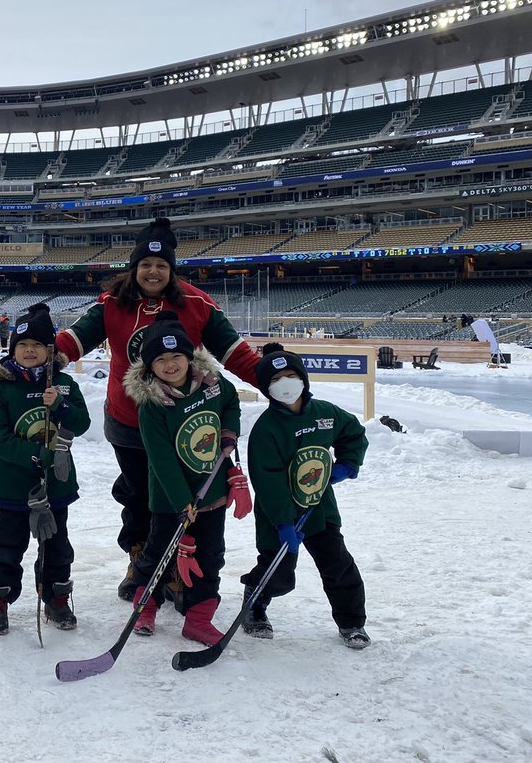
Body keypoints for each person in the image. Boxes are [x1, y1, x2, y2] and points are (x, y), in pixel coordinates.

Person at [54, 216, 262, 600]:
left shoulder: (197, 303)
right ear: (134, 268)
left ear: (172, 269)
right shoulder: (112, 303)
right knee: (139, 496)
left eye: (161, 265)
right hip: (129, 422)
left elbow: (236, 354)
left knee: (182, 497)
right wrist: (38, 360)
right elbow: (73, 340)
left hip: (183, 425)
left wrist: (276, 381)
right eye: (146, 264)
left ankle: (179, 567)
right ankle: (142, 560)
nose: (153, 272)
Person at [122, 312, 250, 644]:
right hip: (171, 499)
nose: (170, 365)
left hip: (211, 494)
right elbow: (162, 460)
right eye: (160, 359)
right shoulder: (152, 405)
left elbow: (231, 403)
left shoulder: (212, 383)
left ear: (189, 356)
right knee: (160, 554)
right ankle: (146, 606)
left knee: (210, 556)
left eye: (176, 356)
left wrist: (229, 433)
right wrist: (182, 502)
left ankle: (198, 618)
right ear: (150, 365)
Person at [242, 343, 371, 649]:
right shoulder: (266, 429)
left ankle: (351, 621)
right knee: (279, 572)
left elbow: (353, 432)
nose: (284, 384)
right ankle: (255, 602)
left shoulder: (325, 413)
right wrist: (284, 521)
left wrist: (348, 463)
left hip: (319, 506)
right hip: (280, 512)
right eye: (275, 380)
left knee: (337, 564)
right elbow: (267, 479)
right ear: (266, 388)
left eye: (290, 376)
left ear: (303, 378)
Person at [0, 303, 90, 635]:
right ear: (13, 348)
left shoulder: (64, 384)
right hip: (13, 485)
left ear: (50, 350)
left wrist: (61, 405)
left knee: (56, 545)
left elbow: (82, 423)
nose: (30, 351)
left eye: (38, 345)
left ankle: (55, 597)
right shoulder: (1, 388)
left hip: (56, 484)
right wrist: (34, 455)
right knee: (7, 544)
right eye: (23, 345)